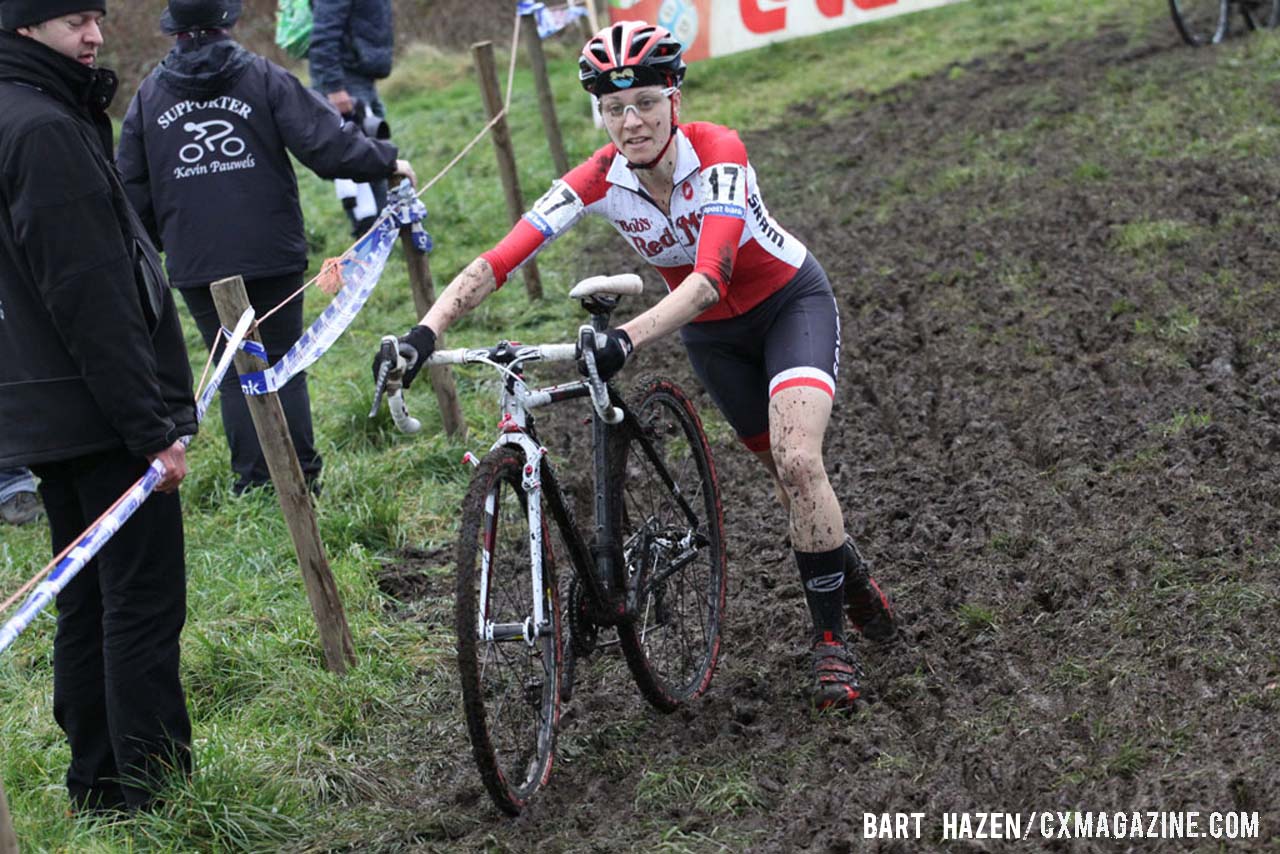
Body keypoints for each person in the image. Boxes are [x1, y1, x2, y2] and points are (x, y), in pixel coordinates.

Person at [374, 22, 898, 712]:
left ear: (674, 97)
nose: (632, 120)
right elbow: (501, 259)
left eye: (646, 101)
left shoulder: (719, 154)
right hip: (712, 337)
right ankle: (848, 569)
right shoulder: (595, 178)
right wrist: (424, 329)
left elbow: (711, 277)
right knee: (784, 478)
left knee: (801, 462)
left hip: (786, 306)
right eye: (615, 108)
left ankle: (830, 642)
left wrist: (627, 338)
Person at [0, 0, 196, 812]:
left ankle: (98, 783)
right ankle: (151, 792)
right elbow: (91, 292)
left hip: (43, 407)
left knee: (85, 594)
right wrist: (151, 430)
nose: (94, 36)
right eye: (73, 21)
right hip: (96, 407)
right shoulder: (42, 128)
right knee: (141, 601)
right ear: (22, 27)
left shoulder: (28, 110)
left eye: (97, 16)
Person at [117, 0, 415, 497]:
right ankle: (301, 478)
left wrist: (149, 248)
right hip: (269, 250)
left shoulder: (148, 96)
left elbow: (132, 188)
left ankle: (254, 484)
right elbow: (325, 144)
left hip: (197, 262)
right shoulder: (262, 76)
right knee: (281, 362)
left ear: (173, 31)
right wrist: (387, 161)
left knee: (237, 372)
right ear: (228, 23)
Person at [309, 0, 394, 235]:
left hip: (358, 74)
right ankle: (370, 237)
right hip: (345, 80)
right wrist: (334, 86)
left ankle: (384, 230)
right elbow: (324, 33)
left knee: (375, 154)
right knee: (361, 159)